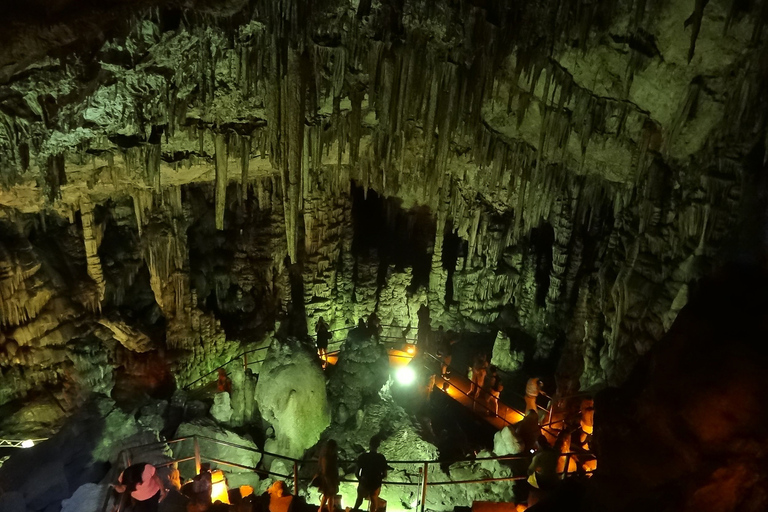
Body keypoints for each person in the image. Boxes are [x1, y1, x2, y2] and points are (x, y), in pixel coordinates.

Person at [353, 437, 388, 512]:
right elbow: (385, 474)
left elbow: (356, 472)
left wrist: (360, 479)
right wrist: (379, 479)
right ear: (378, 446)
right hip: (375, 482)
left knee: (359, 499)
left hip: (364, 480)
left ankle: (355, 510)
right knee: (373, 500)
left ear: (369, 445)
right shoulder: (381, 458)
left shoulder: (363, 457)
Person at [316, 439, 339, 512]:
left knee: (328, 496)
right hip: (328, 479)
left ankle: (324, 509)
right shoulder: (327, 457)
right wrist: (329, 482)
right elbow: (325, 471)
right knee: (328, 495)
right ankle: (325, 509)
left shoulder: (329, 456)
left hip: (330, 479)